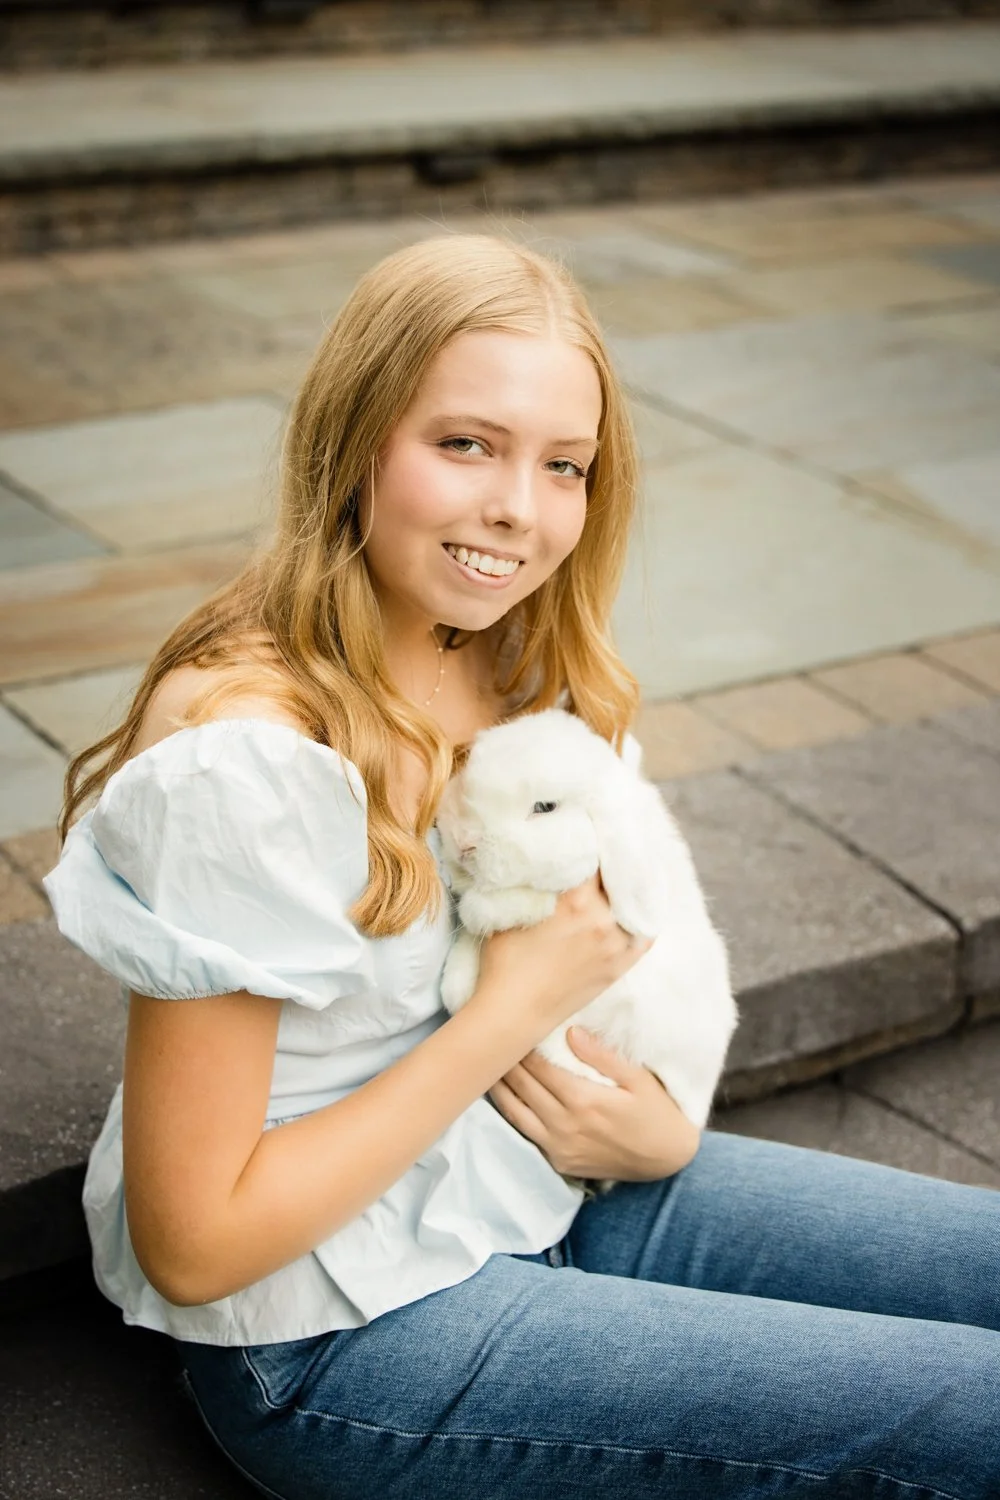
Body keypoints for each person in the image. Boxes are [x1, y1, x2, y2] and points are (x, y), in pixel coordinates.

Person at [45, 231, 999, 1500]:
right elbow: (196, 1241)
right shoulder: (247, 755)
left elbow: (608, 963)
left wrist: (656, 1125)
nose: (520, 510)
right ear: (355, 439)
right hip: (338, 1337)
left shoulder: (510, 660)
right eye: (465, 445)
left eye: (565, 467)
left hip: (534, 1176)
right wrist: (505, 1017)